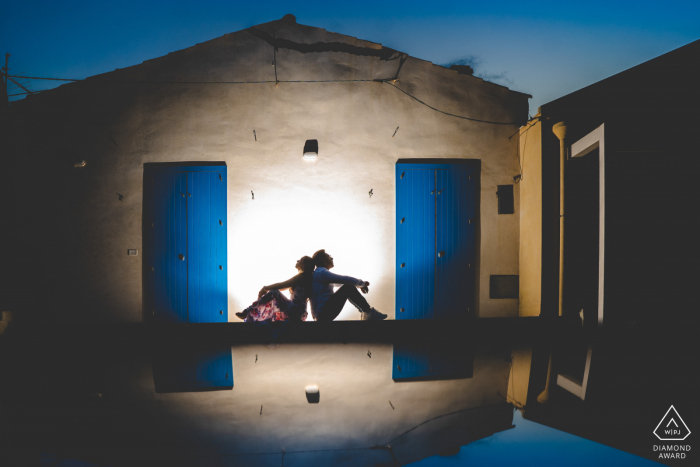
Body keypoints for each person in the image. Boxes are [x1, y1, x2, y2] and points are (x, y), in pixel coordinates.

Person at [310, 249, 386, 322]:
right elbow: (344, 279)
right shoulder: (321, 272)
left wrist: (359, 285)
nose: (332, 258)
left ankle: (367, 312)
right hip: (323, 314)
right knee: (348, 288)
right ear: (324, 261)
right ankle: (368, 312)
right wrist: (361, 284)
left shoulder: (319, 274)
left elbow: (339, 282)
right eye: (329, 257)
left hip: (321, 315)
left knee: (348, 287)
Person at [235, 256, 314, 322]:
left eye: (301, 260)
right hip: (299, 312)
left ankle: (248, 311)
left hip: (296, 311)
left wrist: (266, 288)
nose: (298, 260)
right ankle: (249, 312)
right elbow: (283, 287)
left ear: (304, 265)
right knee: (275, 293)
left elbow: (282, 285)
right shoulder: (304, 278)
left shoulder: (301, 277)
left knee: (274, 292)